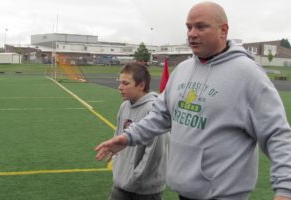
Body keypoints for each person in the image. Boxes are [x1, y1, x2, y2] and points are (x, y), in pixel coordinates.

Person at [96, 2, 291, 200]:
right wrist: (128, 137)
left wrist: (285, 189)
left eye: (201, 26)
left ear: (223, 30)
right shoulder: (183, 70)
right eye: (189, 27)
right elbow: (160, 115)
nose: (192, 33)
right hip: (185, 193)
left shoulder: (248, 74)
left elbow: (277, 134)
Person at [108, 62, 169, 200]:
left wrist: (134, 179)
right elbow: (118, 136)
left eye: (125, 83)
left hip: (145, 191)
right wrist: (118, 166)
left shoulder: (154, 110)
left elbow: (155, 153)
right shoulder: (124, 106)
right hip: (121, 183)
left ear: (141, 85)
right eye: (120, 82)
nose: (120, 87)